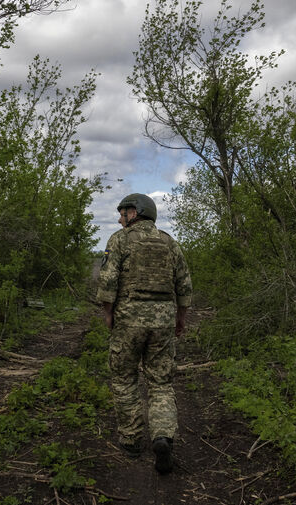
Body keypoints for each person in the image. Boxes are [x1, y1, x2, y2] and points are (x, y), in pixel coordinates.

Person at [96, 193, 193, 474]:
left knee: (125, 378)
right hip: (162, 319)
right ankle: (162, 436)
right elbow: (184, 285)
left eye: (123, 212)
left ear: (135, 213)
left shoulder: (120, 240)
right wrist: (180, 318)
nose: (119, 218)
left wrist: (108, 313)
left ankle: (131, 440)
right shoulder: (169, 242)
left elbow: (107, 281)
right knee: (161, 382)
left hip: (129, 319)